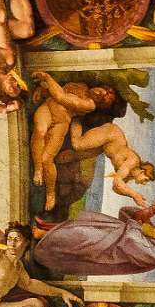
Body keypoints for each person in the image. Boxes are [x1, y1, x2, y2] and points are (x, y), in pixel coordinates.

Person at [29, 73, 119, 212]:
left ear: (99, 103)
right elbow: (60, 90)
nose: (99, 93)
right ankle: (38, 169)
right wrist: (43, 90)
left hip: (61, 122)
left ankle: (50, 193)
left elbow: (61, 96)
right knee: (40, 131)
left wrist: (46, 77)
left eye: (102, 97)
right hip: (48, 108)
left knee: (47, 159)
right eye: (102, 91)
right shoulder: (82, 86)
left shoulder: (90, 105)